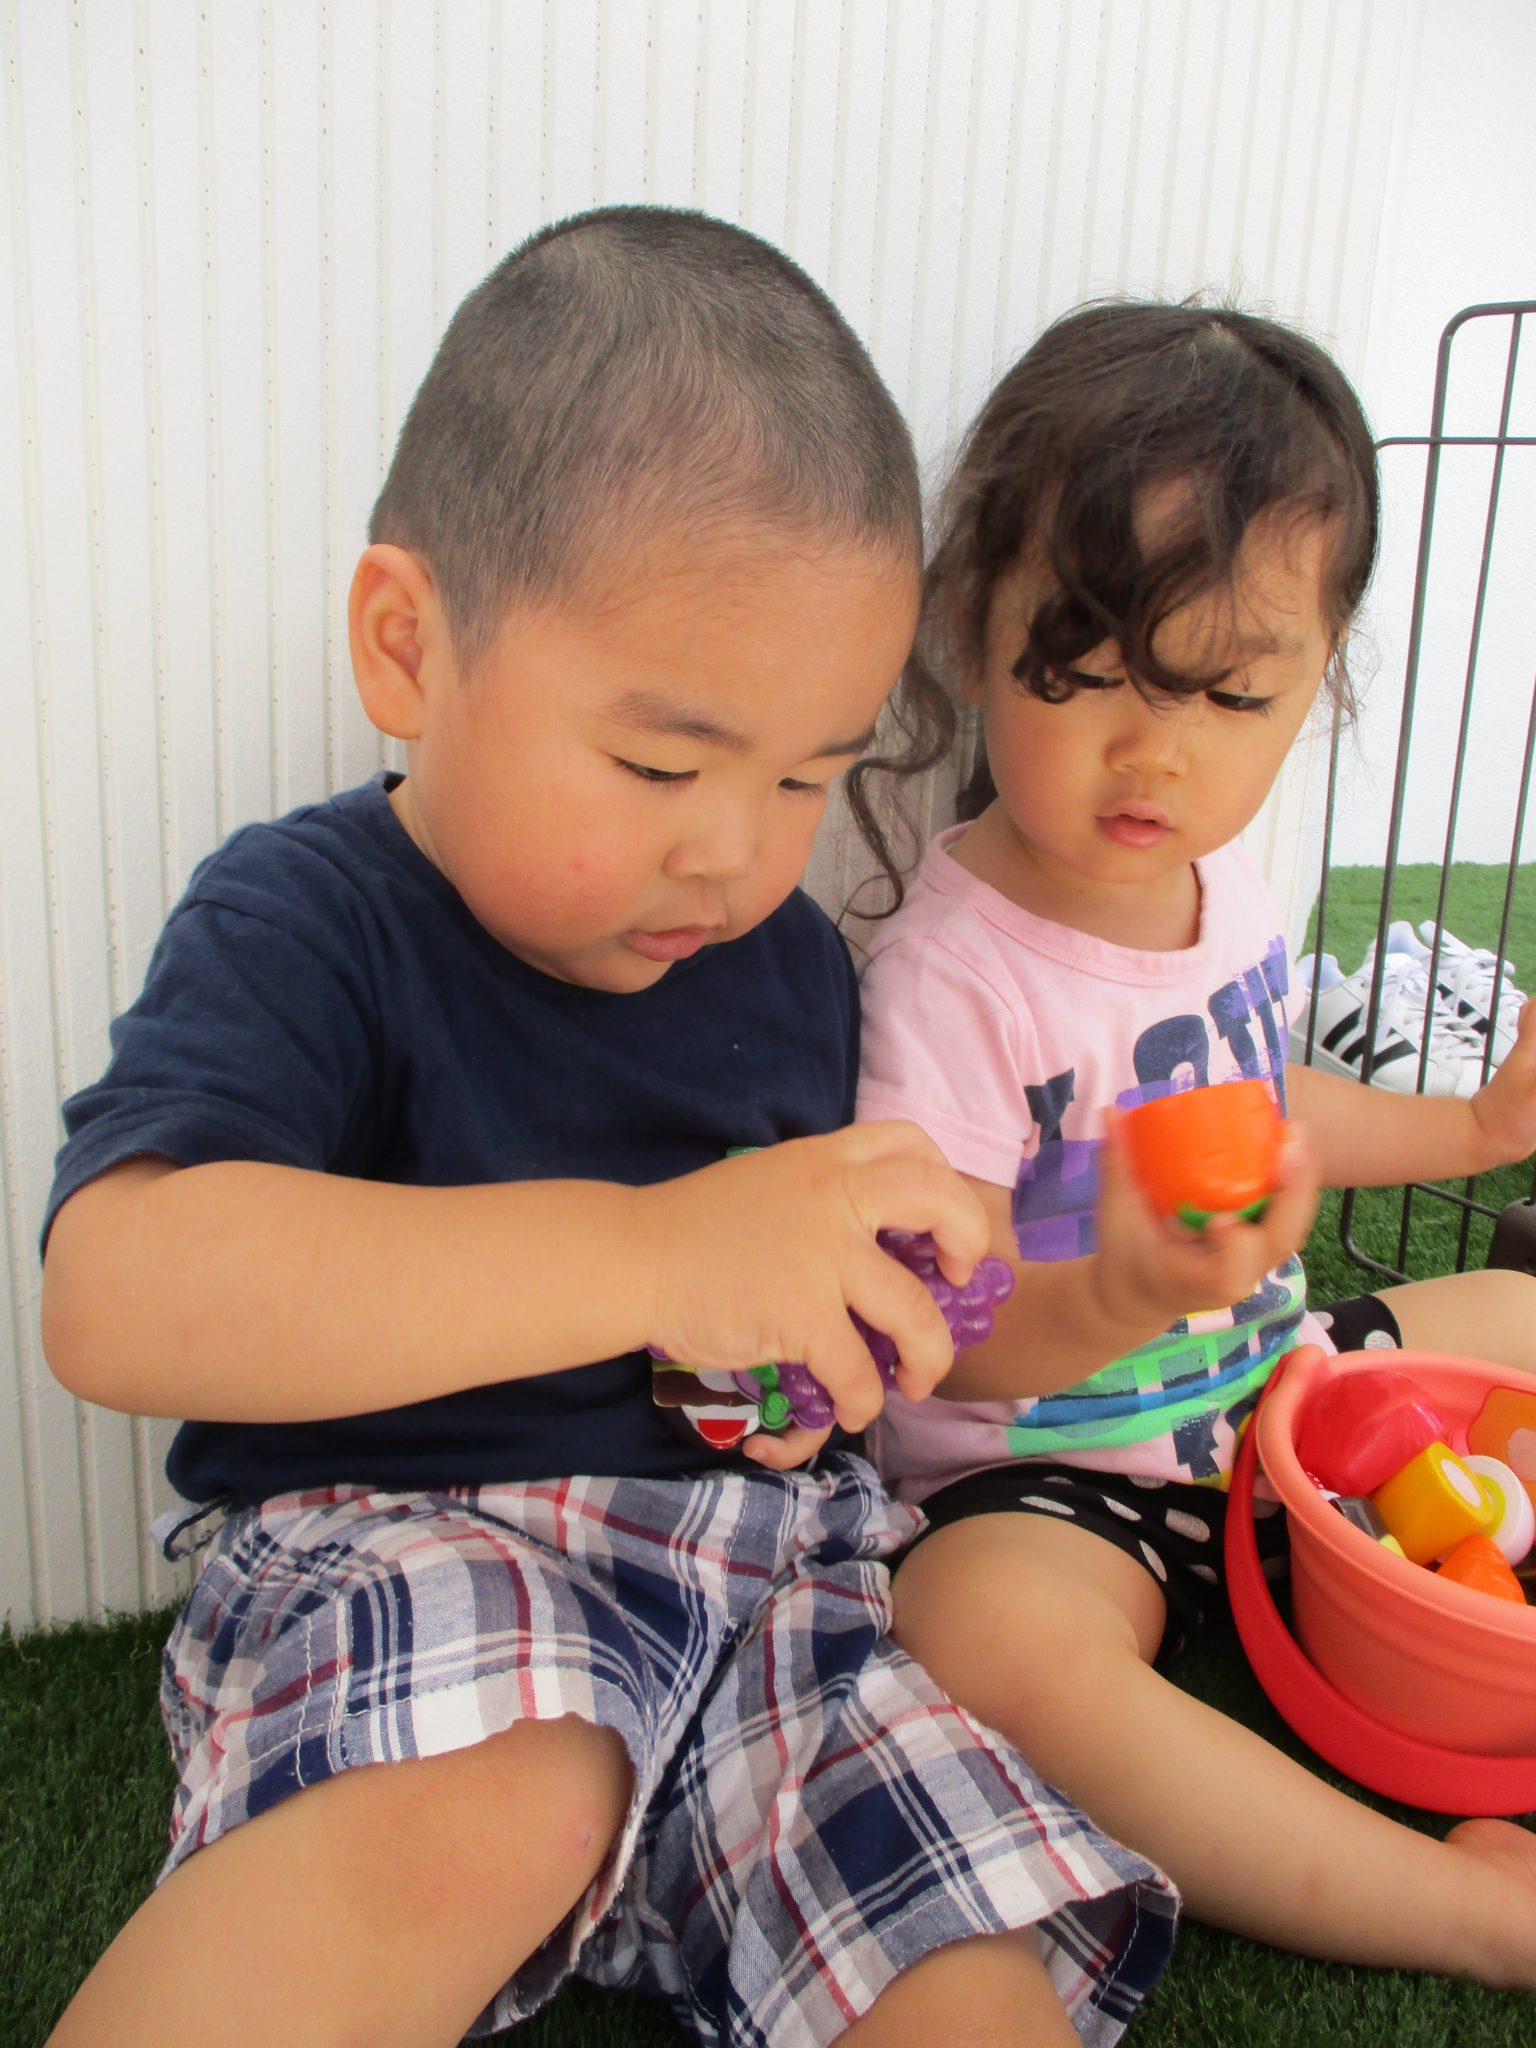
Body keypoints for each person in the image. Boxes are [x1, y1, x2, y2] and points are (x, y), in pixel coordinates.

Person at [37, 213, 1176, 2048]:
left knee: (961, 1943)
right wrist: (659, 1250)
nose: (736, 848)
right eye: (663, 765)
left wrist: (1098, 1284)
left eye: (810, 775)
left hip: (772, 1611)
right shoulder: (311, 917)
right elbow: (115, 1292)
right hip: (412, 1565)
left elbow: (895, 1352)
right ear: (408, 648)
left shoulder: (795, 968)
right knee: (513, 1788)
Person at [854, 301, 1536, 1989]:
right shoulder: (946, 977)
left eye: (1232, 692)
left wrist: (1476, 1124)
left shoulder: (1227, 891)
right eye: (1081, 670)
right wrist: (1120, 1285)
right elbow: (929, 1327)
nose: (1153, 749)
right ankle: (1460, 1914)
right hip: (1060, 1473)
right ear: (966, 627)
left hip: (1273, 1383)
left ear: (1318, 679)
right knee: (980, 1641)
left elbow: (1272, 1106)